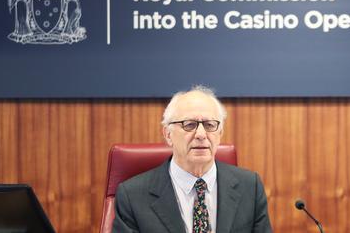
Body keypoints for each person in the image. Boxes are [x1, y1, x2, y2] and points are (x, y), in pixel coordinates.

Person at [112, 85, 273, 233]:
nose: (201, 135)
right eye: (189, 125)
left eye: (210, 125)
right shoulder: (132, 196)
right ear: (168, 135)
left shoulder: (250, 188)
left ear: (220, 134)